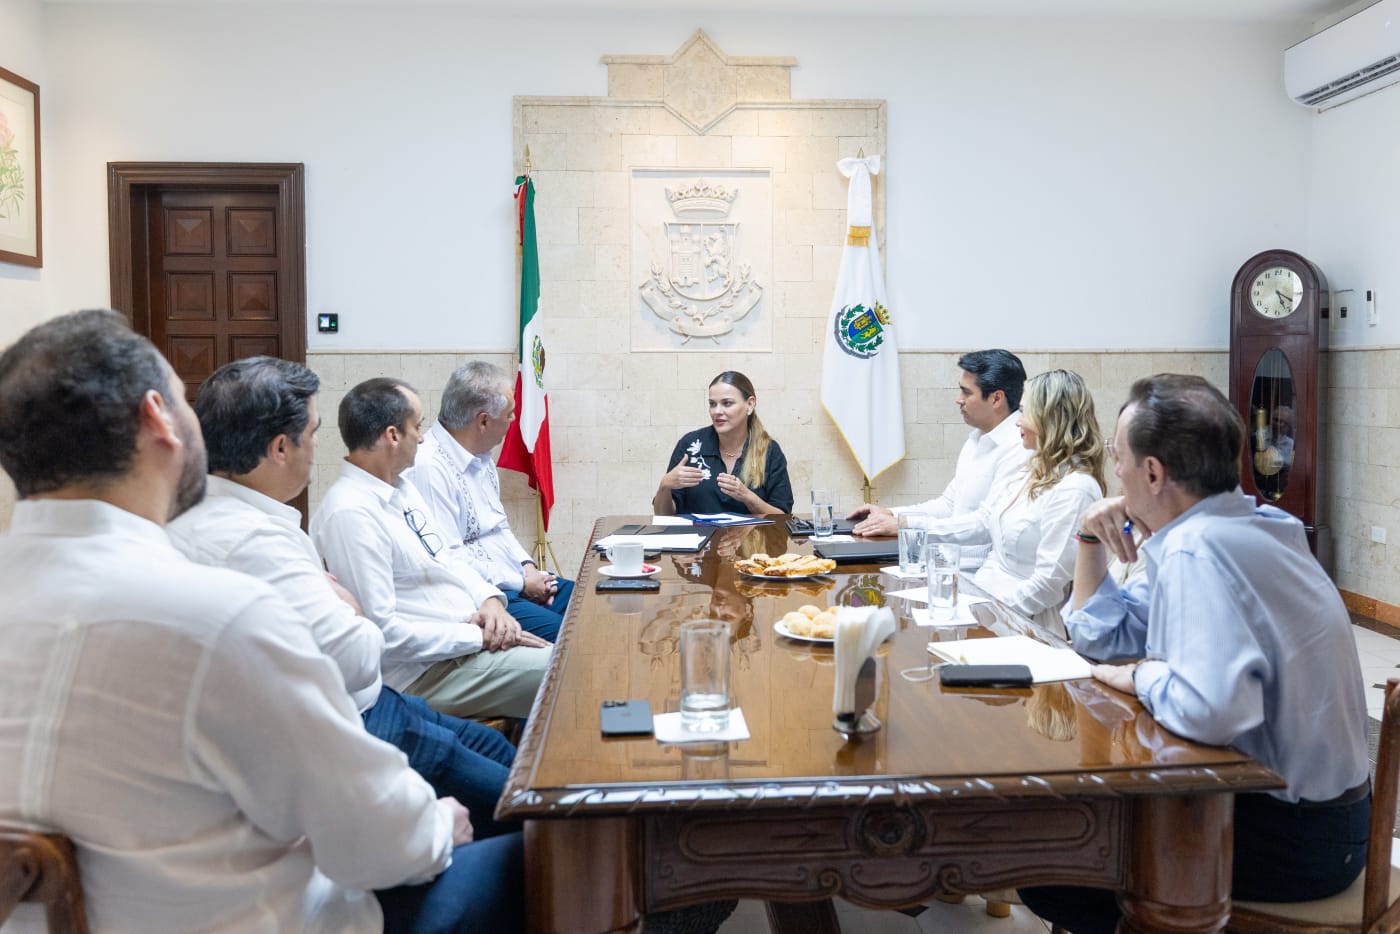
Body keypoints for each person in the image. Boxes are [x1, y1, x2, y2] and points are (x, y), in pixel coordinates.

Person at [0, 310, 521, 933]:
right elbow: (377, 838)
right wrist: (438, 825)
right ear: (158, 419)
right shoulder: (216, 615)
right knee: (542, 851)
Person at [1020, 374, 1369, 934]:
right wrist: (1089, 539)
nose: (1115, 475)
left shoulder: (1197, 550)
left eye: (1119, 459)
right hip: (1338, 819)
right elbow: (1101, 638)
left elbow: (1210, 711)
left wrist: (1143, 676)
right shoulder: (1250, 524)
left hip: (1297, 839)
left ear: (1153, 472)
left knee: (1052, 862)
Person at [168, 356, 519, 839]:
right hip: (358, 718)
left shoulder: (223, 519)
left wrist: (486, 605)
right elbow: (358, 657)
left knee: (500, 753)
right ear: (279, 448)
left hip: (378, 697)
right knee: (520, 800)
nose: (317, 447)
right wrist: (353, 612)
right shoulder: (261, 540)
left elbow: (449, 559)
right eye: (311, 433)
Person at [311, 377, 551, 720]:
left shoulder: (402, 486)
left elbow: (449, 558)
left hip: (463, 642)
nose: (423, 437)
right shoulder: (350, 513)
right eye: (417, 426)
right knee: (565, 673)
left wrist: (490, 602)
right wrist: (475, 636)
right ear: (392, 435)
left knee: (566, 657)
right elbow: (384, 633)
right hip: (422, 672)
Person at [924, 369, 1106, 633]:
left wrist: (987, 613)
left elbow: (1046, 586)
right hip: (988, 608)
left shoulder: (1076, 488)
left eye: (1024, 412)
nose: (1017, 422)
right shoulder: (1029, 469)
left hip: (1028, 623)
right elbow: (993, 544)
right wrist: (971, 599)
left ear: (1050, 419)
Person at [408, 360, 573, 643]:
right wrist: (521, 583)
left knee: (595, 597)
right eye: (510, 415)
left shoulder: (481, 456)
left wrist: (528, 568)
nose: (513, 422)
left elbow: (499, 527)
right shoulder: (429, 468)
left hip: (515, 581)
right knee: (573, 637)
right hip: (484, 597)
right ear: (483, 421)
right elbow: (450, 558)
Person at [848, 349, 1031, 571]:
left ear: (996, 398)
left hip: (980, 574)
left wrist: (904, 526)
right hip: (948, 563)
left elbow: (985, 525)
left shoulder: (1019, 446)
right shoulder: (977, 439)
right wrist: (892, 514)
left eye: (966, 392)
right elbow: (948, 504)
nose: (958, 400)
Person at [653, 371, 793, 516]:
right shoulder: (690, 444)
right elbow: (664, 516)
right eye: (712, 404)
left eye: (727, 403)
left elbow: (782, 517)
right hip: (699, 538)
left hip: (752, 539)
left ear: (750, 404)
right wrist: (664, 486)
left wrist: (747, 497)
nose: (717, 411)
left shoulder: (769, 450)